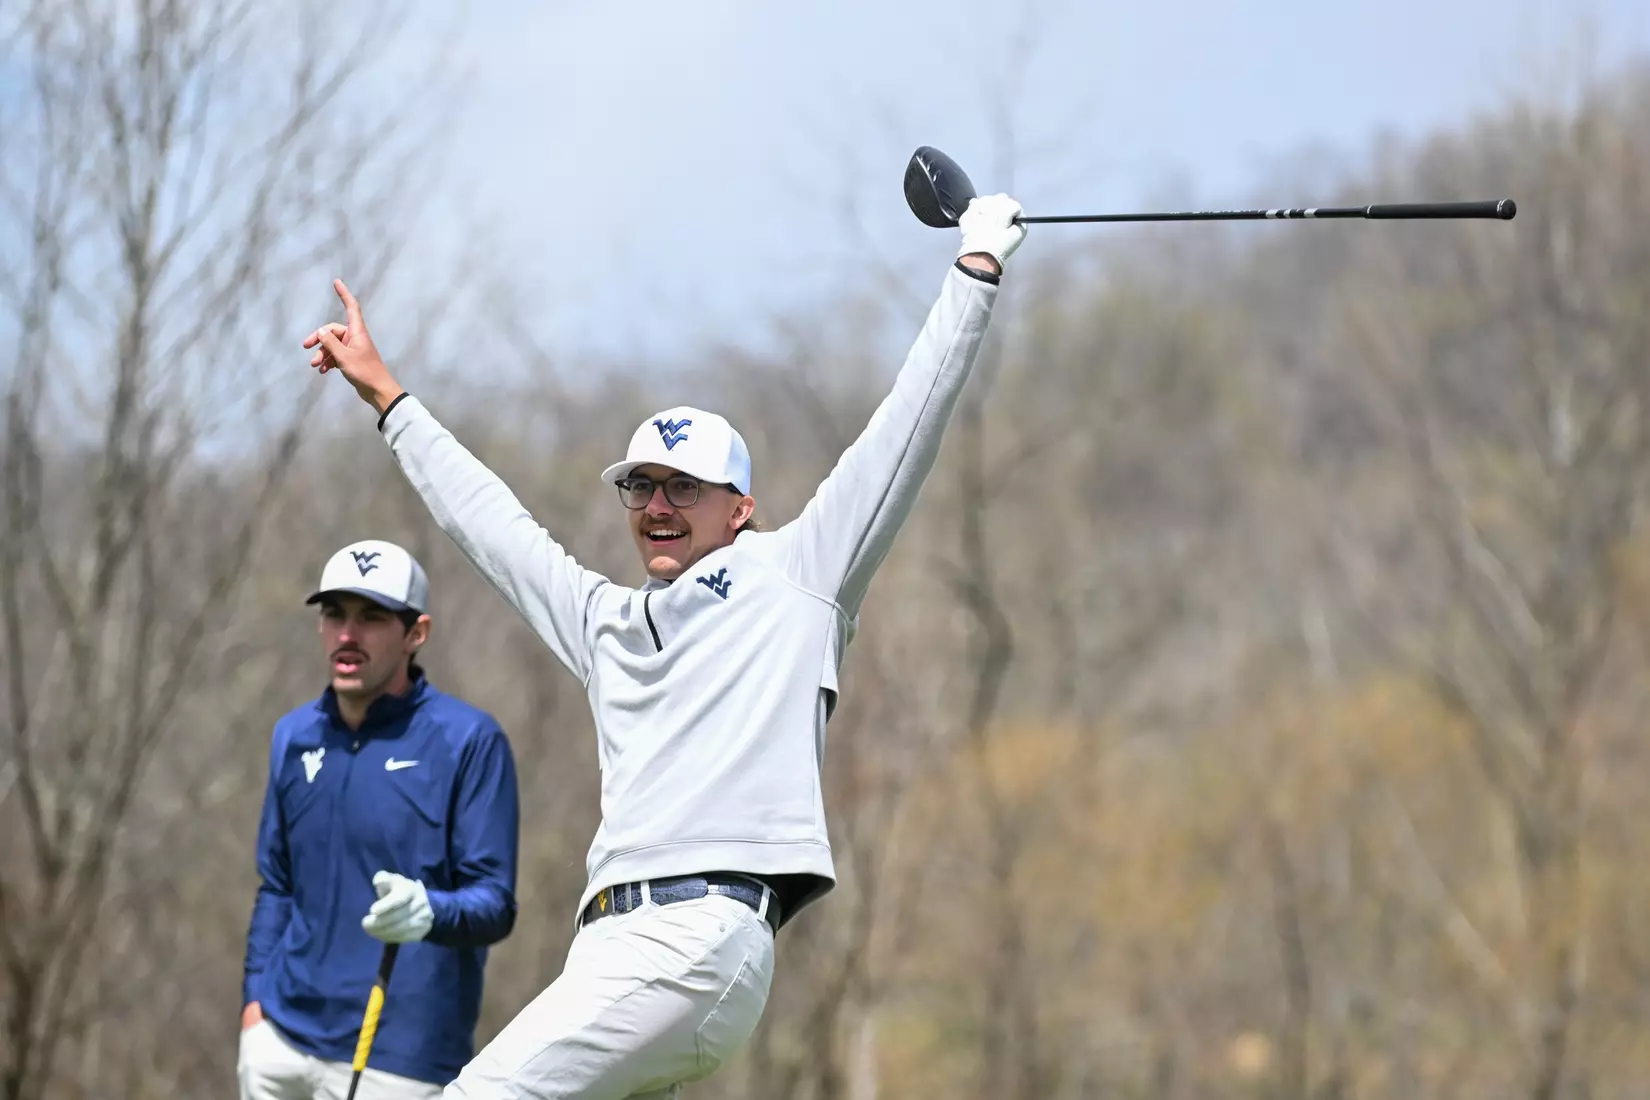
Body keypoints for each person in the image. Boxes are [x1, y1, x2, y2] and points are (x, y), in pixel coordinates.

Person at [301, 193, 1027, 1098]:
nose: (656, 505)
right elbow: (491, 525)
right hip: (613, 949)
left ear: (740, 508)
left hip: (697, 938)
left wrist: (976, 272)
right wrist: (386, 395)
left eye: (684, 487)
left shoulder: (798, 573)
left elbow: (905, 429)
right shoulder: (603, 620)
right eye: (641, 487)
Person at [239, 539, 522, 1099]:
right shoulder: (294, 736)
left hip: (400, 1054)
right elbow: (277, 886)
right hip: (280, 1043)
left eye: (371, 618)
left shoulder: (467, 740)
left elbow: (494, 904)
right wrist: (254, 1006)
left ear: (416, 634)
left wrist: (428, 912)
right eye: (334, 615)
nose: (347, 635)